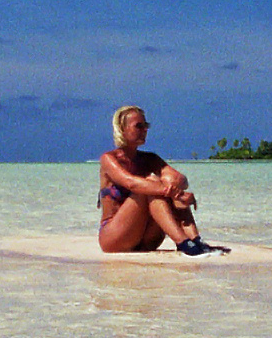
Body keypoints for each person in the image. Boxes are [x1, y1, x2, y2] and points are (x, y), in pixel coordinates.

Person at [97, 105, 226, 255]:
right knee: (150, 184)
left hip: (146, 238)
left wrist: (174, 189)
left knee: (165, 183)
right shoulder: (109, 159)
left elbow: (180, 179)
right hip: (115, 238)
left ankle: (194, 239)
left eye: (146, 126)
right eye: (139, 126)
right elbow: (131, 182)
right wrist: (170, 192)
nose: (144, 130)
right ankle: (184, 243)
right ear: (121, 128)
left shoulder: (150, 159)